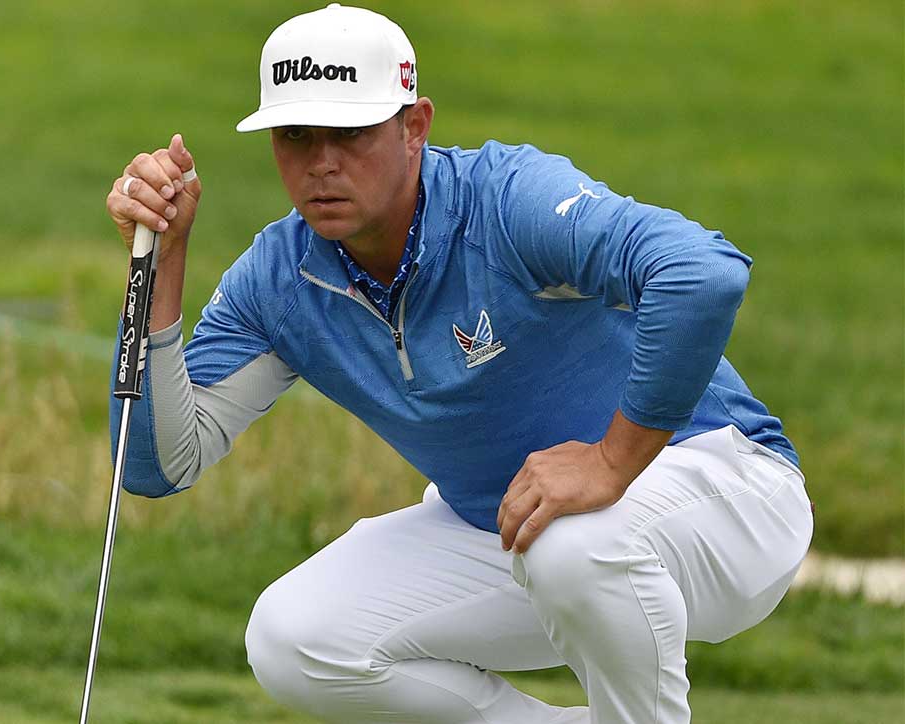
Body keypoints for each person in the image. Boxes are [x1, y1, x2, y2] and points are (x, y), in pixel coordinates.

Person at [103, 4, 813, 723]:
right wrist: (160, 264)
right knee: (296, 638)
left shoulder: (505, 201)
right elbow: (157, 464)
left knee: (570, 544)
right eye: (295, 135)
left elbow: (701, 273)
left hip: (728, 490)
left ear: (414, 127)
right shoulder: (282, 279)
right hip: (519, 530)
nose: (322, 162)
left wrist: (609, 462)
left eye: (350, 133)